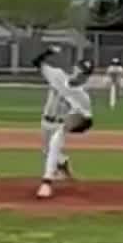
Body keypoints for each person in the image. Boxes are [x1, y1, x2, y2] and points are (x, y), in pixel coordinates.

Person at [34, 50, 94, 200]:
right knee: (47, 151)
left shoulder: (82, 96)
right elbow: (37, 63)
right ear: (74, 68)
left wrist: (74, 124)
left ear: (86, 78)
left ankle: (46, 183)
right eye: (79, 70)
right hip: (46, 121)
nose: (80, 75)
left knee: (55, 143)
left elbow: (87, 119)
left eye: (84, 74)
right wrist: (48, 52)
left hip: (61, 123)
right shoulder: (57, 75)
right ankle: (63, 162)